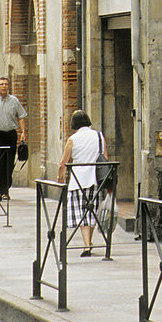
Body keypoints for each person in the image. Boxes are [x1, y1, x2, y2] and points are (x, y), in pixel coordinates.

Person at [58, 110, 107, 256]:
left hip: (78, 181)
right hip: (95, 179)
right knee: (91, 211)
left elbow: (63, 162)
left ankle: (86, 246)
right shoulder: (98, 135)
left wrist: (60, 177)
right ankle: (89, 242)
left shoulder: (73, 139)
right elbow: (105, 157)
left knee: (82, 213)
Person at [0, 75, 27, 202]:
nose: (4, 86)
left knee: (9, 163)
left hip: (10, 134)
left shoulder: (14, 101)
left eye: (6, 84)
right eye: (2, 84)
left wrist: (23, 132)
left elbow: (21, 116)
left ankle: (5, 190)